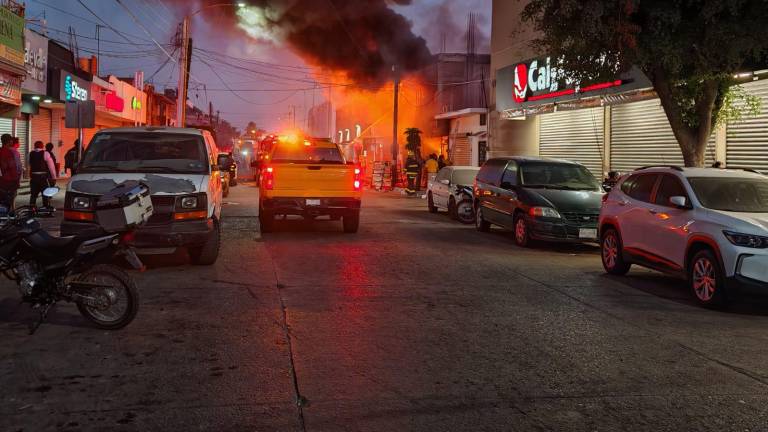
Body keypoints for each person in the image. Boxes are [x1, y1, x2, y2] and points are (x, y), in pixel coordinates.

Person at [29, 140, 57, 208]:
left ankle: (31, 208)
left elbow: (30, 164)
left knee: (33, 194)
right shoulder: (46, 153)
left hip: (34, 177)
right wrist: (54, 177)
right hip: (43, 177)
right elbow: (51, 167)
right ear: (42, 146)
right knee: (45, 193)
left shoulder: (30, 153)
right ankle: (45, 207)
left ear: (34, 146)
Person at [0, 134, 20, 210]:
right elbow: (12, 167)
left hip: (2, 182)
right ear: (9, 141)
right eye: (11, 140)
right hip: (8, 183)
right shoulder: (9, 152)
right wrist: (16, 181)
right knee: (8, 204)